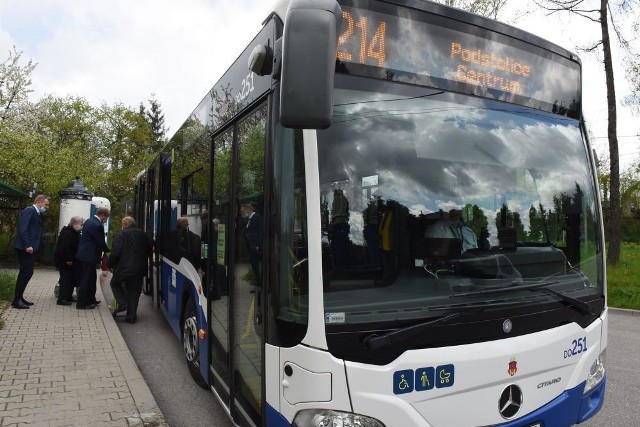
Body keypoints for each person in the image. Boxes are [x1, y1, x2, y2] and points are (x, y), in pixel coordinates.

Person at [109, 216, 152, 324]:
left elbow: (116, 252)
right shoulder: (143, 234)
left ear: (124, 224)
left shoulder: (121, 235)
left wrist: (110, 264)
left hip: (124, 268)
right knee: (134, 292)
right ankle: (131, 317)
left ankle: (123, 303)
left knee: (114, 283)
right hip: (139, 268)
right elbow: (149, 249)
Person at [11, 194, 50, 309]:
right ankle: (16, 300)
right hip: (25, 248)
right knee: (26, 272)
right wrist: (27, 245)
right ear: (39, 202)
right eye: (46, 204)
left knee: (27, 272)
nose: (47, 207)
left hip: (28, 248)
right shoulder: (29, 210)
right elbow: (23, 229)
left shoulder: (35, 212)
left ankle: (19, 297)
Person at [76, 207, 110, 309]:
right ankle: (82, 303)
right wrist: (108, 250)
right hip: (89, 255)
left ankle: (90, 299)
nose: (106, 219)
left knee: (90, 278)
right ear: (103, 215)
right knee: (87, 279)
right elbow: (100, 242)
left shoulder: (89, 221)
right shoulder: (97, 225)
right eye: (107, 217)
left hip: (84, 254)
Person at [53, 216, 84, 305]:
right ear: (74, 224)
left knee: (70, 279)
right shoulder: (67, 233)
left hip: (71, 260)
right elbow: (64, 248)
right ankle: (62, 299)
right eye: (81, 224)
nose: (82, 226)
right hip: (65, 261)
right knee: (65, 280)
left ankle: (68, 297)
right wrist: (68, 259)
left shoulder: (73, 233)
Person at [240, 203, 262, 287]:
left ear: (248, 209)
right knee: (254, 266)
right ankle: (258, 284)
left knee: (256, 266)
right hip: (252, 247)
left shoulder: (257, 218)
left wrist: (258, 246)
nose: (242, 214)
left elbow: (260, 232)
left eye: (242, 211)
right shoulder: (250, 219)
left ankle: (259, 284)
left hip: (255, 247)